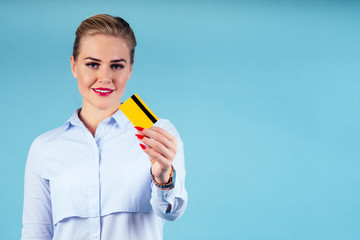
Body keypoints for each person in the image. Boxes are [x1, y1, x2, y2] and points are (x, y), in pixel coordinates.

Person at [21, 14, 187, 240]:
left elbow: (171, 212)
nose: (105, 77)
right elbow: (35, 234)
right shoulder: (45, 148)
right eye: (92, 64)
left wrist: (163, 178)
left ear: (130, 69)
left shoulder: (156, 132)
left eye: (116, 66)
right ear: (73, 66)